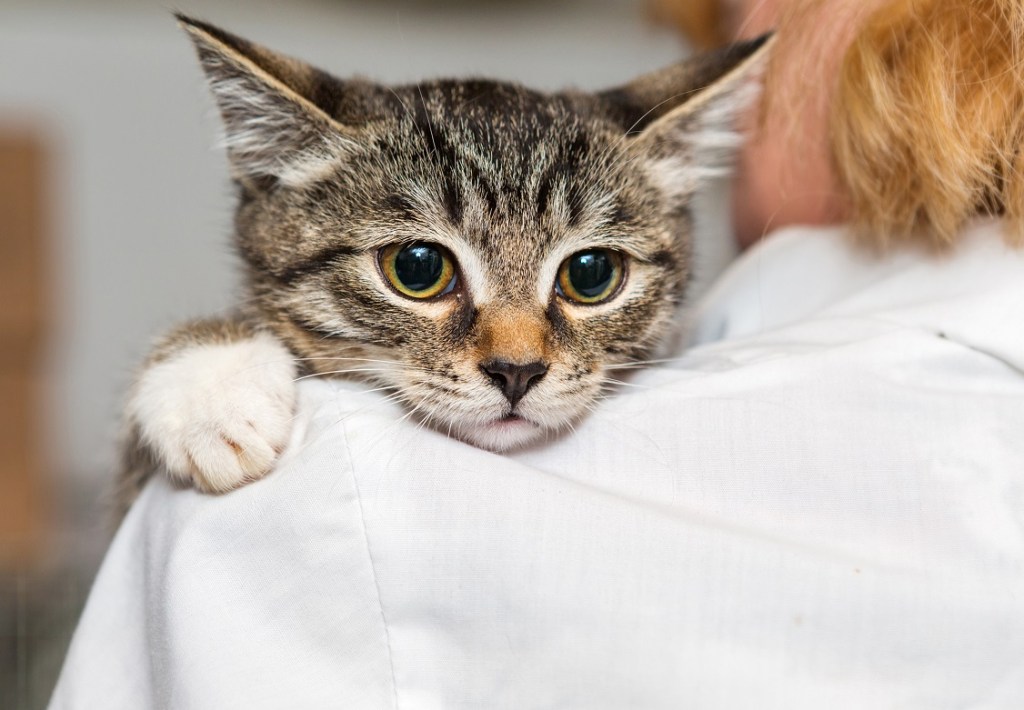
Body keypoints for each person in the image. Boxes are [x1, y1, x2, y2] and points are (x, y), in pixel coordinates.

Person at [51, 2, 1024, 707]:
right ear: (272, 181)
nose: (516, 351)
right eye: (422, 266)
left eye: (589, 275)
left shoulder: (334, 494)